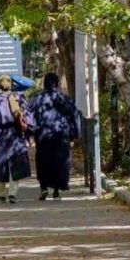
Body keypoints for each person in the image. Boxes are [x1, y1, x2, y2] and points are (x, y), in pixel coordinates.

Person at [29, 72, 79, 200]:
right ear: (57, 83)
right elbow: (73, 116)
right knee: (59, 162)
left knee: (43, 162)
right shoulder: (64, 99)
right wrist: (75, 134)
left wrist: (29, 134)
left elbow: (29, 116)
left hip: (42, 135)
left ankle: (44, 187)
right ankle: (57, 189)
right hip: (61, 134)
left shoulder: (37, 98)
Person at [0, 74, 31, 203]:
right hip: (17, 135)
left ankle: (0, 193)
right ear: (11, 84)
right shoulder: (19, 98)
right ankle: (13, 193)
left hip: (2, 135)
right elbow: (27, 118)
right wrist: (29, 135)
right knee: (16, 164)